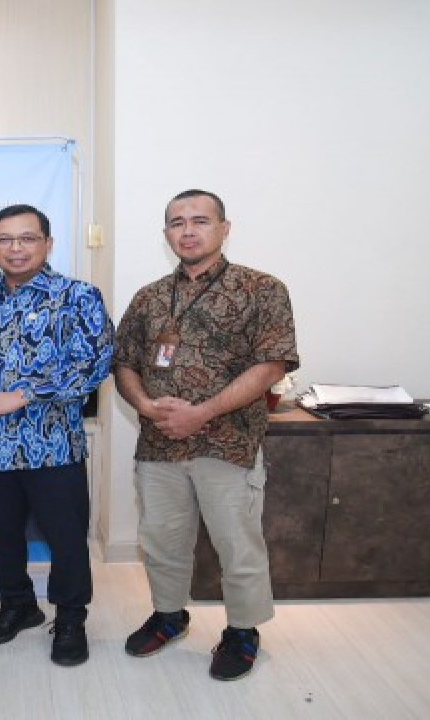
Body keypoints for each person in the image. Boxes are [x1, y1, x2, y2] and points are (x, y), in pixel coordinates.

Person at [113, 189, 299, 681]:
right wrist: (145, 405)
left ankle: (242, 632)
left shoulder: (261, 289)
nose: (188, 230)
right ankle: (169, 616)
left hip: (229, 443)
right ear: (167, 233)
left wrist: (202, 413)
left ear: (224, 228)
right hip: (159, 443)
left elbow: (272, 364)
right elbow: (124, 361)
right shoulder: (150, 297)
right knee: (161, 540)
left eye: (200, 220)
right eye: (177, 222)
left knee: (237, 544)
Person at [0, 204, 113, 667]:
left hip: (53, 447)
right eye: (5, 239)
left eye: (27, 238)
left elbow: (93, 364)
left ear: (48, 243)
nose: (16, 248)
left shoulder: (77, 296)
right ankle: (17, 605)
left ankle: (70, 618)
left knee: (66, 539)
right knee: (0, 537)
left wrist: (21, 396)